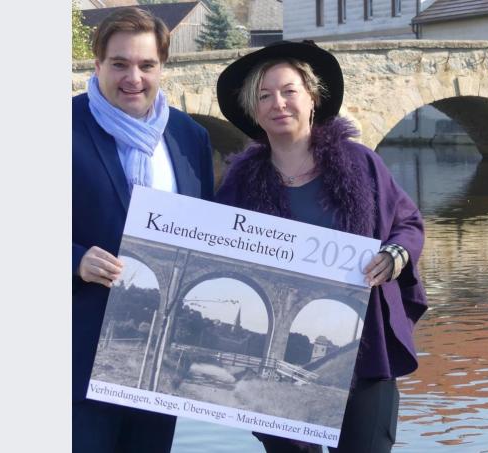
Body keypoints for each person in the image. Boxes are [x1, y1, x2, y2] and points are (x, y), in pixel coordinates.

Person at [215, 40, 428, 452]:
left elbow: (408, 224)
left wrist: (394, 256)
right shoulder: (240, 184)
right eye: (264, 96)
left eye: (288, 90)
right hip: (277, 366)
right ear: (253, 111)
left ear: (312, 97)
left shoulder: (362, 164)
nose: (278, 103)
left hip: (366, 354)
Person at [72, 7, 215, 452]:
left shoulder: (189, 137)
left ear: (162, 68)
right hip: (77, 356)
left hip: (159, 367)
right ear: (97, 65)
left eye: (146, 65)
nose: (133, 77)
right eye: (119, 64)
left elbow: (207, 232)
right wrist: (73, 258)